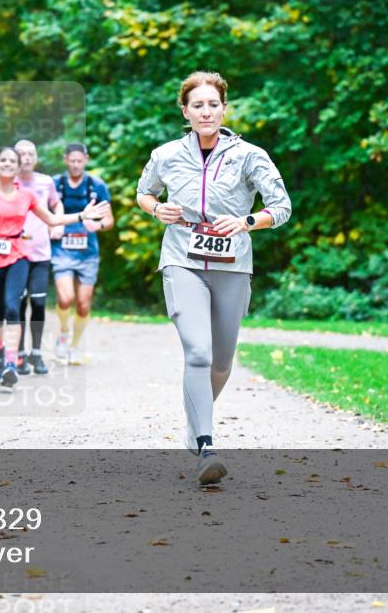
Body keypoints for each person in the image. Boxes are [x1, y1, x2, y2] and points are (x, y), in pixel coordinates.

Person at [135, 71, 292, 485]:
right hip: (182, 259)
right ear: (185, 111)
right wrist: (156, 209)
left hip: (232, 265)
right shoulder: (166, 154)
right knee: (198, 354)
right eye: (197, 105)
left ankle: (194, 421)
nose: (206, 111)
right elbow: (143, 192)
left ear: (224, 108)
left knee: (221, 362)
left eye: (213, 104)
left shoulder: (250, 155)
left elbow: (282, 207)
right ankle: (206, 445)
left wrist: (246, 222)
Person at [0, 147, 110, 387]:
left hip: (17, 255)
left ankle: (11, 363)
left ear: (17, 167)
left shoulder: (26, 195)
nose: (7, 163)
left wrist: (81, 215)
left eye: (11, 161)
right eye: (2, 159)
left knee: (14, 308)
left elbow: (52, 219)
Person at [50, 143, 114, 365]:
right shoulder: (54, 184)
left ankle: (74, 346)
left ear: (86, 159)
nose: (76, 164)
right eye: (72, 160)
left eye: (80, 160)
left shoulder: (96, 185)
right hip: (61, 249)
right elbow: (42, 213)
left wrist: (99, 226)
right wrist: (52, 227)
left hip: (88, 252)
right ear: (65, 159)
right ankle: (64, 331)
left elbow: (109, 220)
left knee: (84, 303)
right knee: (66, 298)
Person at [13, 139, 62, 375]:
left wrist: (57, 225)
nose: (27, 158)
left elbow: (56, 204)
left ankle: (37, 353)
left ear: (36, 157)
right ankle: (20, 354)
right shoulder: (8, 184)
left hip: (41, 252)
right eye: (22, 154)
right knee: (20, 305)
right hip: (16, 255)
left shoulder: (46, 182)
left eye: (31, 154)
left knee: (39, 303)